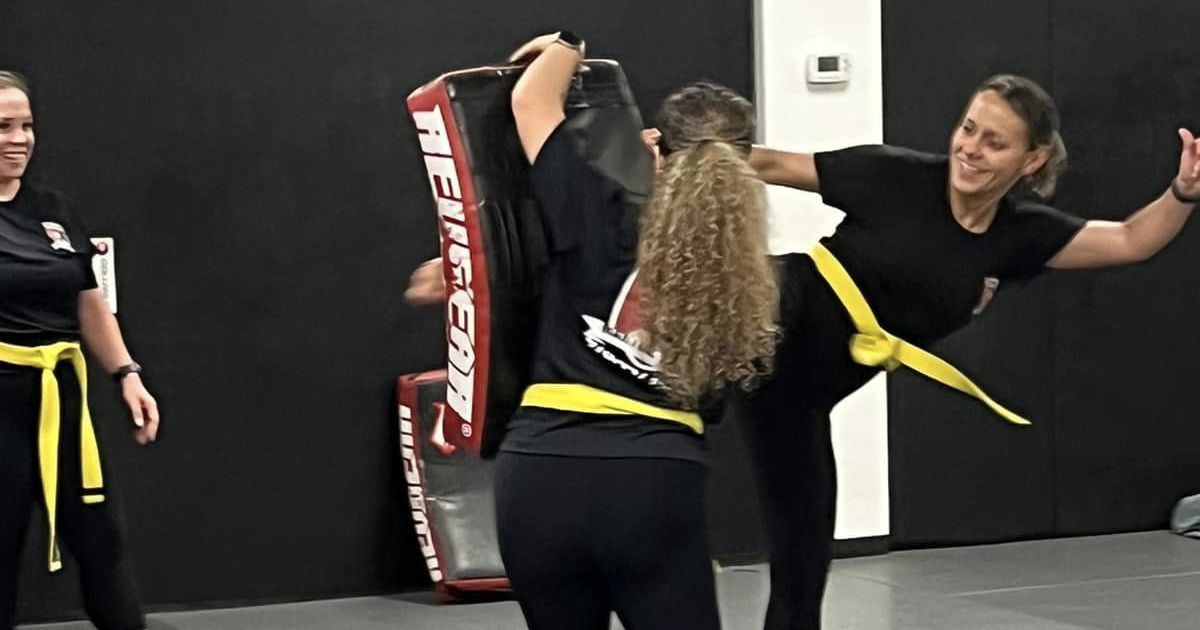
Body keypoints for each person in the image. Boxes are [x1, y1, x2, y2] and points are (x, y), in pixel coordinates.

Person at [740, 74, 1200, 629]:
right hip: (761, 317)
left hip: (796, 405)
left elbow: (1130, 239)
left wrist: (1183, 193)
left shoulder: (1017, 235)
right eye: (968, 129)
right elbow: (763, 164)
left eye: (994, 142)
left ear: (1031, 161)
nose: (971, 149)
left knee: (802, 569)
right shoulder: (893, 175)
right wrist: (670, 153)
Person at [0, 70, 160, 630]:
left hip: (62, 399)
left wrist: (126, 373)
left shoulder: (55, 211)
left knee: (100, 537)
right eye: (3, 126)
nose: (19, 138)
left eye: (26, 125)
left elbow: (89, 300)